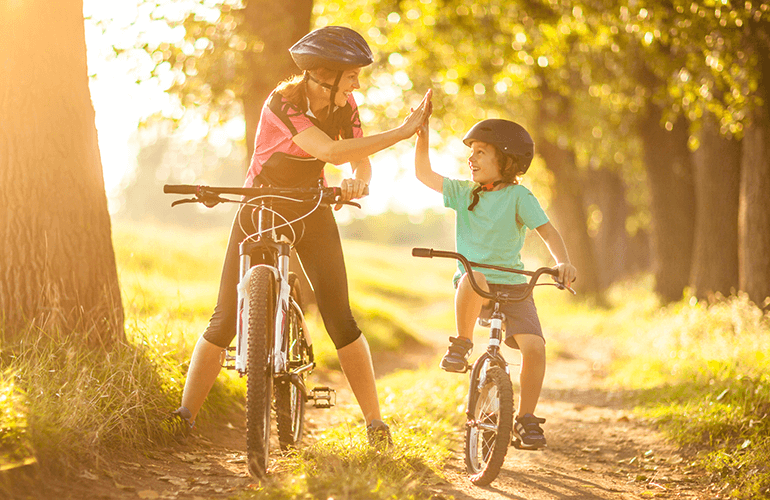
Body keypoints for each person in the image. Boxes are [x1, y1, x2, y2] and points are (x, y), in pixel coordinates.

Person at [172, 25, 432, 446]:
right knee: (223, 320)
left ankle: (374, 423)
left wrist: (357, 180)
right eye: (351, 76)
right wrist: (402, 132)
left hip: (311, 207)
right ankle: (183, 418)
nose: (357, 84)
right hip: (260, 206)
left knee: (340, 319)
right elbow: (328, 151)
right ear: (324, 76)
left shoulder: (346, 106)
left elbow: (356, 158)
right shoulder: (282, 103)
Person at [413, 116, 576, 449]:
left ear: (506, 159)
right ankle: (461, 344)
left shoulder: (518, 196)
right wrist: (423, 135)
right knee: (477, 275)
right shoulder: (463, 192)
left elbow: (547, 231)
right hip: (477, 285)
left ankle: (526, 420)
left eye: (481, 152)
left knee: (536, 348)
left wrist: (562, 262)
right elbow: (423, 174)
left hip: (515, 287)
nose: (471, 158)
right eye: (471, 151)